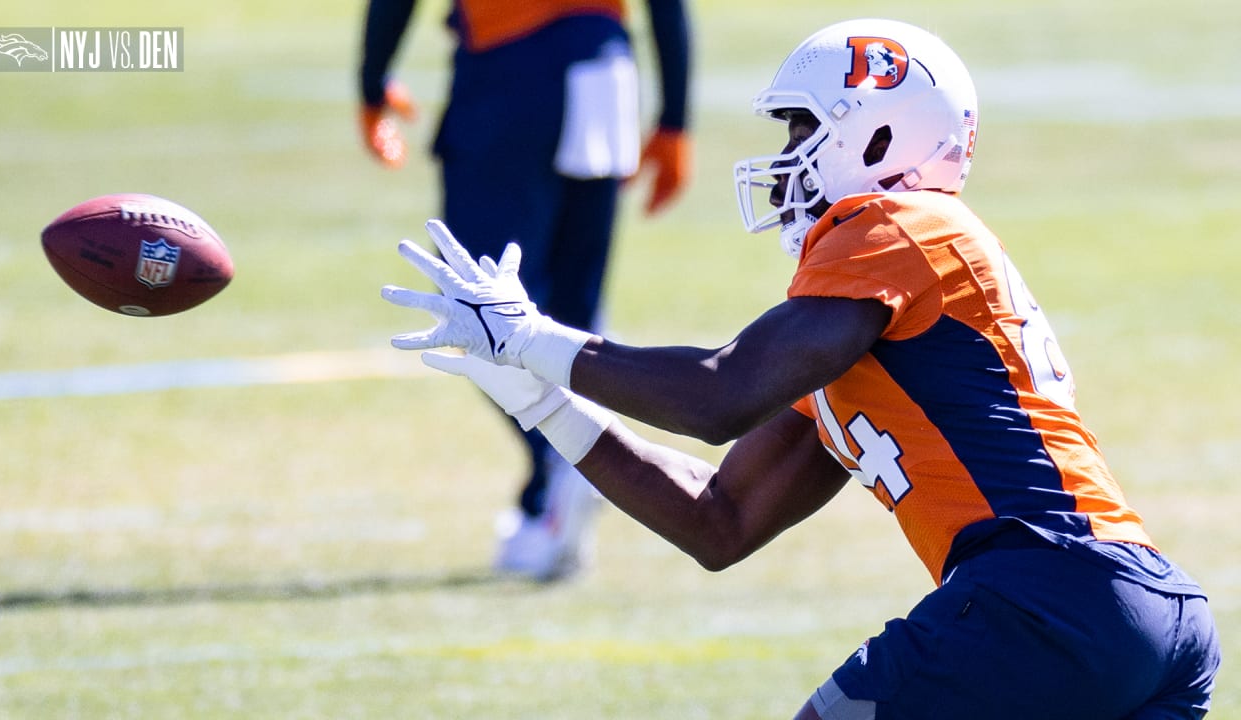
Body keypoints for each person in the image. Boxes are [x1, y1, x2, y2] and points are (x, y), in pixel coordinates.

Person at [381, 17, 1220, 718]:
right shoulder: (875, 331)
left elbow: (721, 394)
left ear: (881, 131)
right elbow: (721, 521)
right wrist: (544, 403)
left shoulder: (900, 224)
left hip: (1043, 597)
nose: (786, 157)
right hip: (1137, 614)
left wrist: (535, 338)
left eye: (803, 127)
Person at [359, 0, 692, 582]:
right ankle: (547, 502)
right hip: (608, 66)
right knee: (572, 311)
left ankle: (571, 464)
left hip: (513, 65)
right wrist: (675, 119)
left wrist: (371, 76)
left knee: (478, 308)